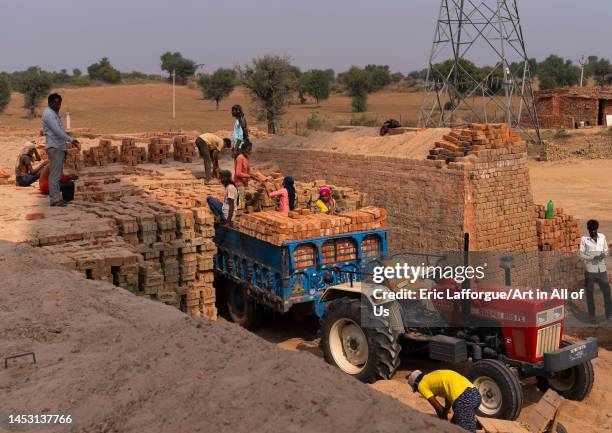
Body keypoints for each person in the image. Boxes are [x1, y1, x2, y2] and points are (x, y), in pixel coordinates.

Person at [408, 369, 481, 433]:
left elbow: (439, 409)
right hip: (475, 394)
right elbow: (448, 396)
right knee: (454, 425)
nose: (418, 391)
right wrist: (446, 411)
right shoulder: (433, 376)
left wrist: (443, 422)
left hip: (464, 399)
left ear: (416, 384)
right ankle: (473, 424)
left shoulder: (421, 385)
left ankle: (471, 425)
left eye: (416, 389)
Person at [42, 93, 79, 207]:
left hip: (59, 147)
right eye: (56, 103)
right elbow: (57, 131)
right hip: (54, 147)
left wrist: (64, 148)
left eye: (60, 104)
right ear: (50, 103)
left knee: (57, 175)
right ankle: (55, 199)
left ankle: (57, 198)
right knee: (54, 175)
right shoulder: (48, 114)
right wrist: (71, 140)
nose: (58, 106)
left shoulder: (54, 113)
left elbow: (59, 131)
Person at [579, 219, 612, 322]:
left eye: (594, 230)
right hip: (590, 271)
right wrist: (591, 258)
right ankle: (592, 316)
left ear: (597, 229)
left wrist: (603, 255)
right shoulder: (584, 239)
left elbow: (606, 250)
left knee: (607, 292)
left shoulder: (602, 237)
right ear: (588, 230)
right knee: (590, 294)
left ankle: (609, 315)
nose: (593, 232)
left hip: (602, 270)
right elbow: (581, 254)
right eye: (591, 230)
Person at [234, 141, 252, 209]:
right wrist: (249, 176)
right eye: (248, 149)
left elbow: (248, 171)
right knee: (240, 205)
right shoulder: (240, 158)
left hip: (244, 183)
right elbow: (238, 173)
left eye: (250, 149)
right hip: (239, 184)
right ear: (243, 149)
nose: (249, 151)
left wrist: (255, 175)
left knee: (243, 203)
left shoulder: (247, 158)